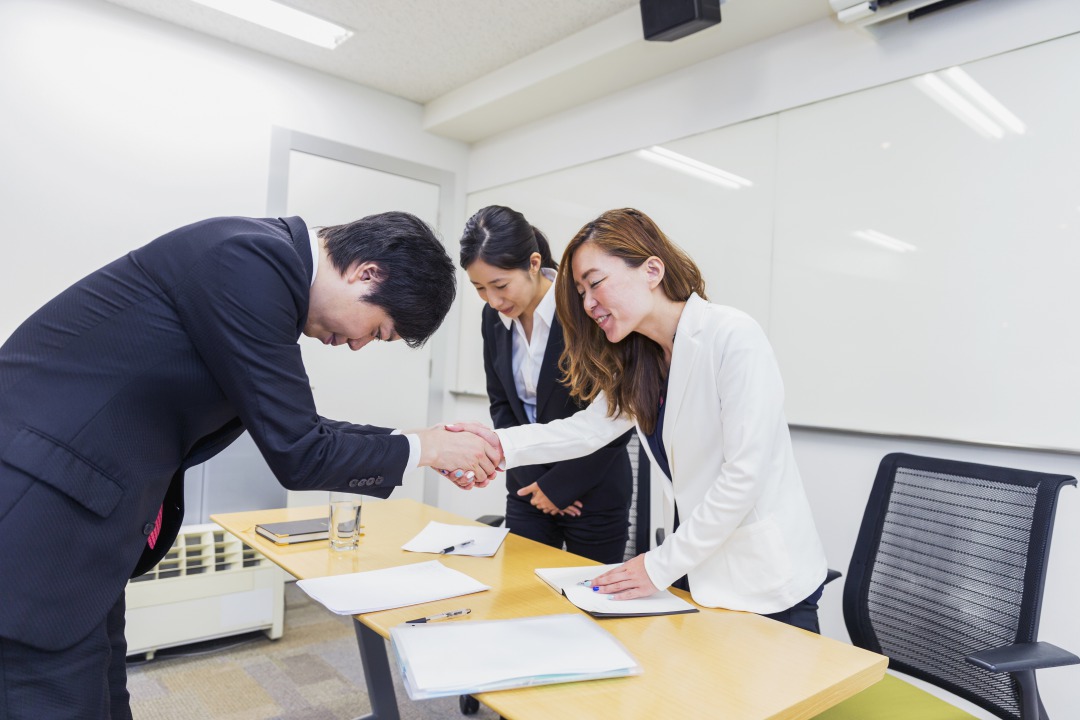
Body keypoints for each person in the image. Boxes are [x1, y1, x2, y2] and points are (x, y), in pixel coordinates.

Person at [0, 212, 500, 719]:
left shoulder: (258, 261)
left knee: (100, 684)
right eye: (378, 331)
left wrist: (420, 441)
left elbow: (296, 426)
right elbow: (301, 451)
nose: (356, 344)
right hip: (40, 504)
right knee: (48, 692)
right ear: (367, 274)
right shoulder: (250, 261)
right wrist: (427, 450)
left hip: (78, 508)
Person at [450, 208, 828, 633]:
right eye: (580, 292)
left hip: (765, 580)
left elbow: (743, 476)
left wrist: (656, 565)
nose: (589, 304)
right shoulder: (641, 357)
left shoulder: (732, 336)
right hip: (696, 572)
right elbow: (589, 429)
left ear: (652, 270)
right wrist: (497, 447)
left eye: (595, 283)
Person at [459, 206, 634, 564]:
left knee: (593, 604)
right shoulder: (492, 318)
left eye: (500, 285)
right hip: (526, 487)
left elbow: (615, 416)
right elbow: (502, 405)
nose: (493, 300)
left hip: (592, 489)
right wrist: (536, 484)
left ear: (534, 263)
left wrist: (559, 488)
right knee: (521, 598)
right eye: (479, 288)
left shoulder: (585, 308)